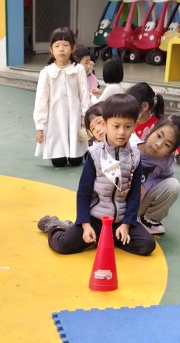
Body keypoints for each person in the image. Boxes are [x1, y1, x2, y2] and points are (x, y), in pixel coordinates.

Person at [36, 93, 157, 257]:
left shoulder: (135, 157)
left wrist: (126, 224)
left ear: (135, 125)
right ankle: (55, 225)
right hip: (95, 219)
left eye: (128, 126)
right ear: (106, 123)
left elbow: (134, 195)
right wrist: (85, 224)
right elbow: (83, 193)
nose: (121, 132)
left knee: (147, 245)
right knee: (63, 245)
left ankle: (110, 237)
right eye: (116, 126)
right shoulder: (94, 154)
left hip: (120, 221)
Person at [34, 27, 90, 167]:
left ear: (73, 48)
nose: (61, 49)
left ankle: (74, 152)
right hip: (55, 119)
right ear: (51, 49)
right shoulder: (46, 73)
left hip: (75, 118)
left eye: (65, 45)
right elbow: (41, 101)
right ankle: (59, 152)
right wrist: (40, 127)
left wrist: (84, 120)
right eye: (57, 46)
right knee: (58, 162)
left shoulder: (78, 70)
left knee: (76, 161)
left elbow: (84, 95)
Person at [136, 115, 180, 236]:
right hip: (117, 202)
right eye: (159, 135)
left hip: (140, 202)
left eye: (167, 145)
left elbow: (164, 181)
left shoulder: (166, 162)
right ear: (152, 129)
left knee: (173, 185)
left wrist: (146, 185)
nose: (158, 144)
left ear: (171, 151)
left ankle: (148, 220)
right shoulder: (130, 148)